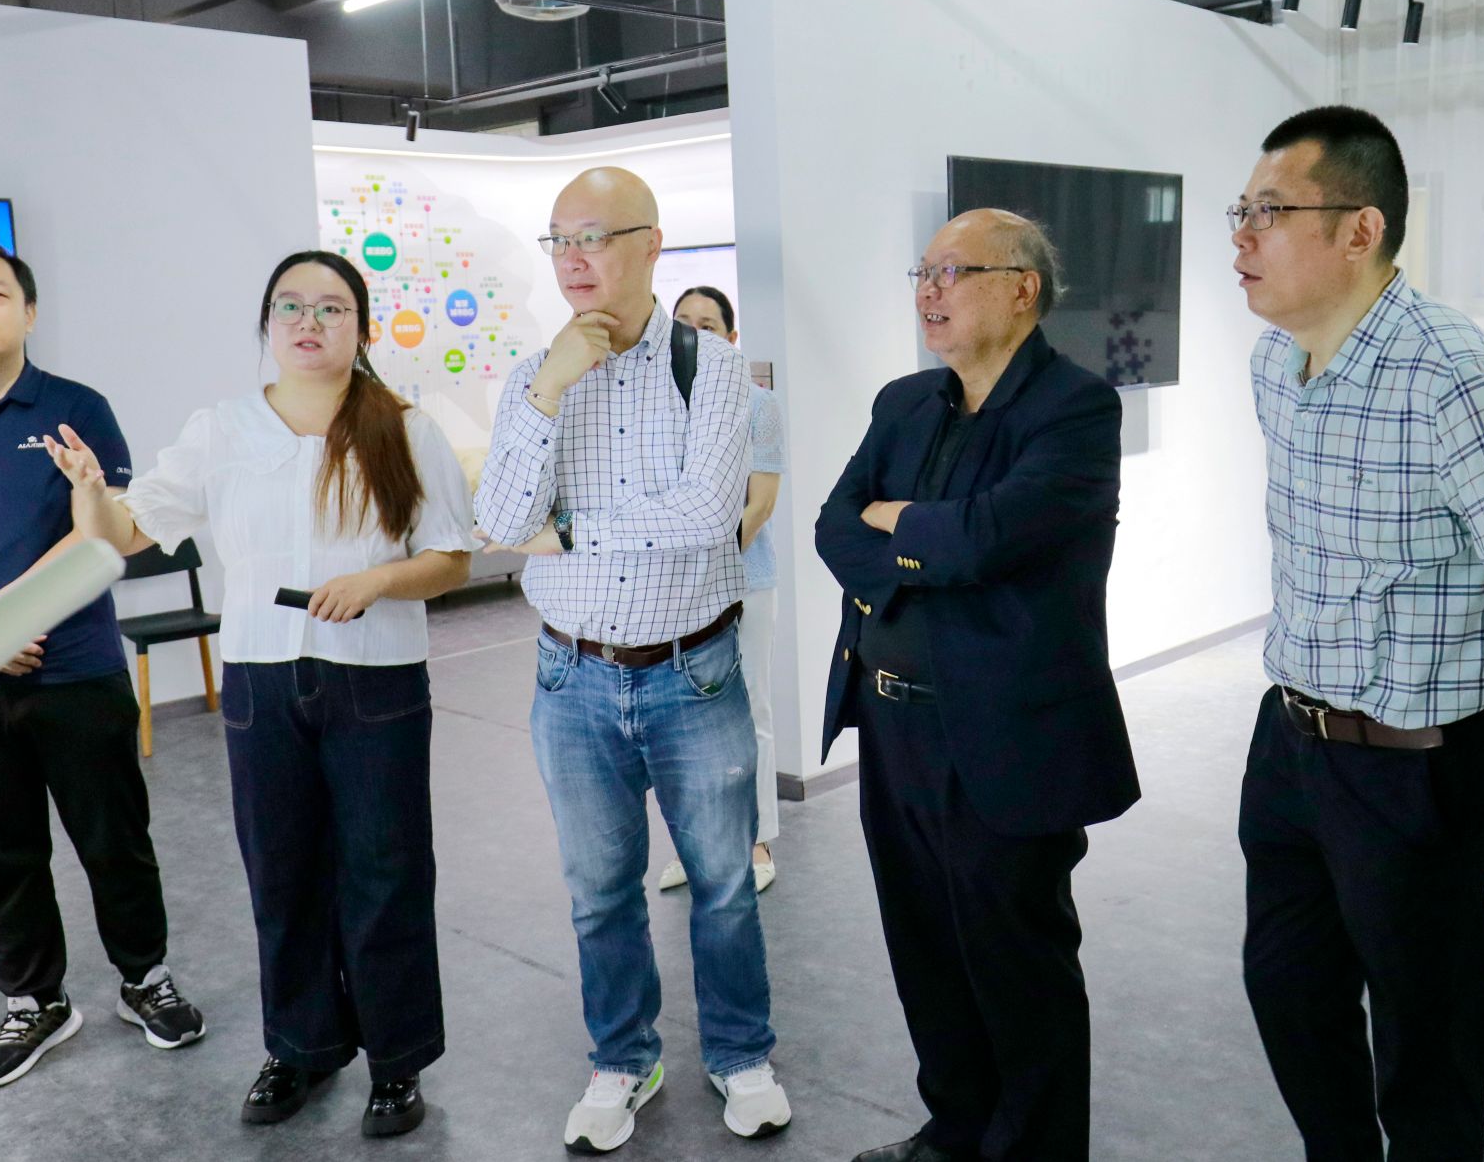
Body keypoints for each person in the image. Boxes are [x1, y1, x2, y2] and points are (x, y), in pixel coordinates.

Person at [1233, 107, 1484, 1162]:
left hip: (1423, 772)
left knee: (1428, 1050)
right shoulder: (1273, 363)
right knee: (1288, 995)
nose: (1242, 236)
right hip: (1291, 744)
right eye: (1239, 212)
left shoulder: (1452, 376)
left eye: (1269, 212)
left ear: (1360, 229)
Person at [46, 250, 475, 1138]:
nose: (309, 322)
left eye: (331, 307)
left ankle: (396, 1059)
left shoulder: (405, 428)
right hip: (260, 679)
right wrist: (90, 492)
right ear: (268, 324)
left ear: (361, 326)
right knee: (280, 870)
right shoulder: (222, 427)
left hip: (377, 679)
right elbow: (126, 531)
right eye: (290, 306)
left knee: (386, 869)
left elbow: (451, 559)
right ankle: (301, 1046)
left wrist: (377, 581)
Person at [474, 167, 790, 1152]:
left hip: (694, 672)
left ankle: (740, 1054)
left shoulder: (713, 368)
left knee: (723, 884)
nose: (572, 259)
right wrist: (552, 385)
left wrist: (567, 532)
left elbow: (708, 517)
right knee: (599, 891)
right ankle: (622, 1058)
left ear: (650, 244)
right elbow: (498, 520)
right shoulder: (533, 377)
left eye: (594, 237)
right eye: (558, 240)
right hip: (570, 678)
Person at [816, 209, 1139, 1162]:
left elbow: (994, 535)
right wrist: (926, 536)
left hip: (1006, 734)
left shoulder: (1077, 408)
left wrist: (899, 521)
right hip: (891, 725)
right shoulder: (904, 401)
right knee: (924, 948)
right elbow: (836, 526)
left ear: (1022, 288)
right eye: (922, 272)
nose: (929, 291)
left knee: (1017, 960)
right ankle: (956, 1131)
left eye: (952, 271)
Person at [0, 242, 205, 1090]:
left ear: (29, 311)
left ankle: (146, 977)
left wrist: (11, 621)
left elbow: (99, 532)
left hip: (77, 668)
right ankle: (35, 1001)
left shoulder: (77, 407)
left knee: (114, 838)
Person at [658, 284, 785, 895]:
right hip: (669, 593)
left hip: (743, 582)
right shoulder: (655, 405)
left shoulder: (758, 404)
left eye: (707, 325)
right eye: (683, 322)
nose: (692, 333)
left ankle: (756, 841)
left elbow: (759, 505)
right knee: (683, 722)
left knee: (748, 709)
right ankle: (697, 846)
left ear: (731, 338)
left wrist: (707, 567)